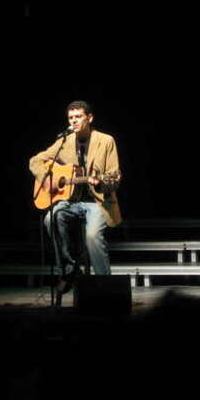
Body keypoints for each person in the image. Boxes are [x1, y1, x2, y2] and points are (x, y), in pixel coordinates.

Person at [29, 101, 122, 297]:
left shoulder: (106, 141)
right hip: (71, 201)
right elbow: (35, 161)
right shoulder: (65, 141)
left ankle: (104, 285)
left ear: (89, 118)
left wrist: (100, 183)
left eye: (78, 117)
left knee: (92, 235)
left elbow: (115, 177)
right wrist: (46, 181)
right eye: (71, 118)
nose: (74, 121)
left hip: (98, 201)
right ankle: (70, 271)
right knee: (51, 217)